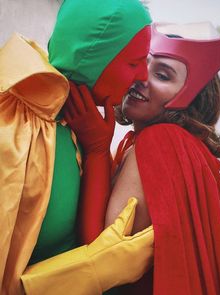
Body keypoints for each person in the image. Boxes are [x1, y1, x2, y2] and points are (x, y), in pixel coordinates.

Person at [65, 24, 220, 294]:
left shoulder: (161, 141)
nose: (141, 77)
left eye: (163, 75)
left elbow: (101, 257)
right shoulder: (137, 142)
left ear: (190, 99)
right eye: (142, 64)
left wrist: (97, 149)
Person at [0, 0, 154, 294]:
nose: (143, 76)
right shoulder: (14, 122)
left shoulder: (79, 126)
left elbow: (89, 240)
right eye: (134, 62)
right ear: (93, 56)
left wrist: (97, 149)